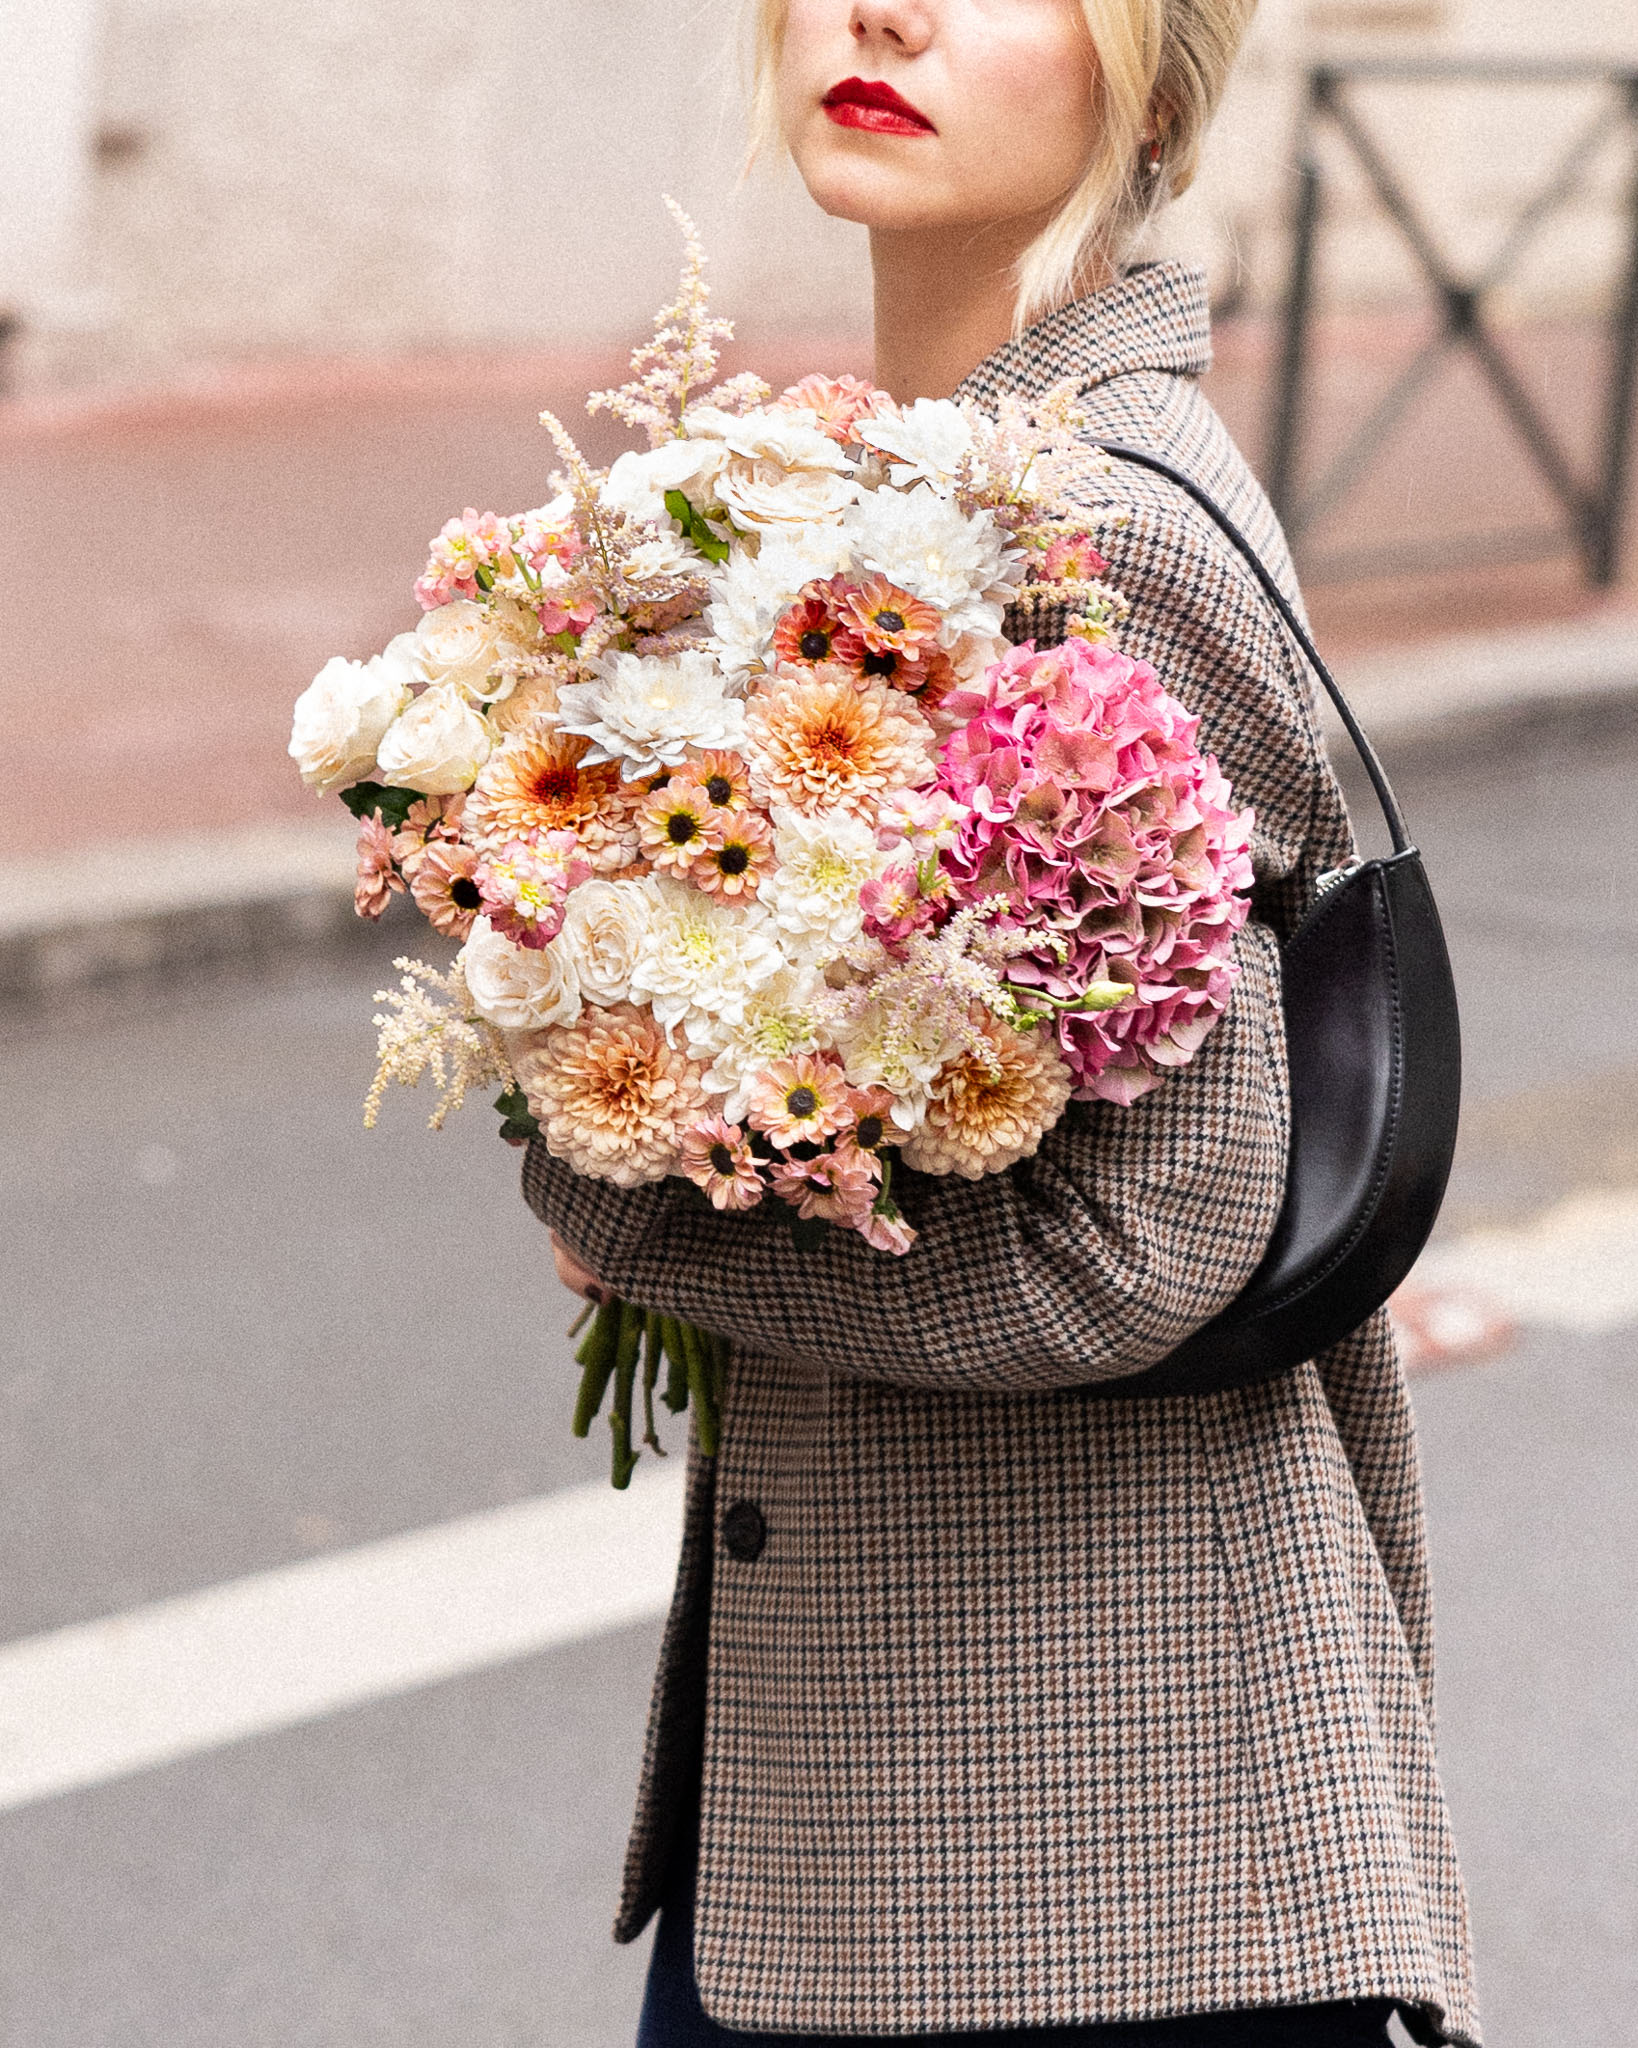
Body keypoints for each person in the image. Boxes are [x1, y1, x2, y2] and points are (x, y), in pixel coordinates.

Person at [531, 2, 1480, 2042]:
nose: (890, 12)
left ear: (1151, 67)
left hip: (1091, 1857)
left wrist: (634, 1202)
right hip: (934, 1819)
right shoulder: (920, 486)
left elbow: (1145, 1242)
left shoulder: (1103, 529)